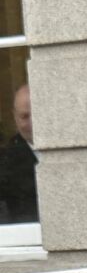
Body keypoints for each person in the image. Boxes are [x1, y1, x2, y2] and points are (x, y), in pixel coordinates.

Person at [0, 83, 38, 224]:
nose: (32, 122)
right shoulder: (6, 162)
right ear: (15, 117)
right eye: (24, 116)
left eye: (37, 113)